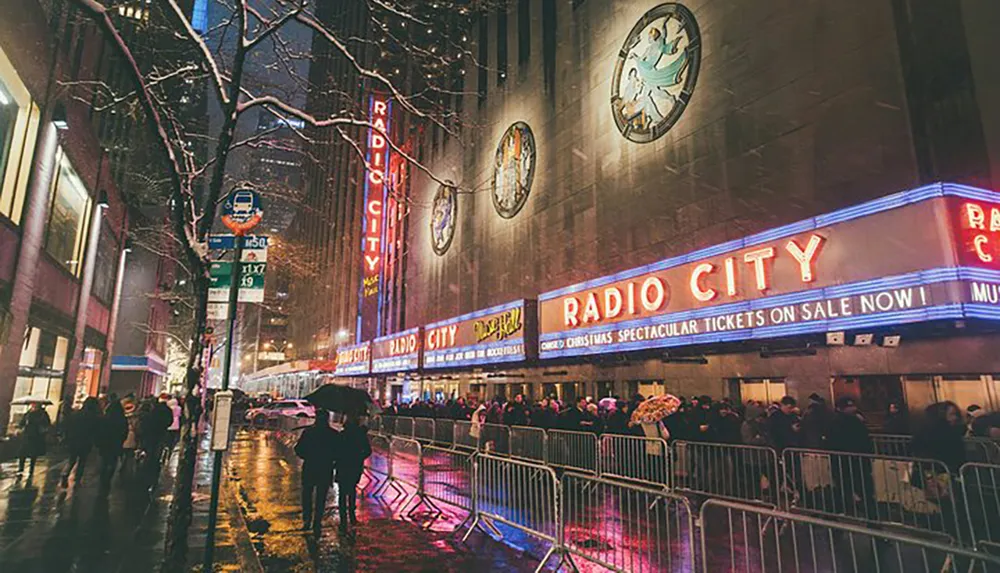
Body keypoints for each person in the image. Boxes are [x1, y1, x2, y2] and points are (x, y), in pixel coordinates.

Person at [826, 397, 874, 517]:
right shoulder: (855, 421)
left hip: (842, 461)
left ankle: (843, 513)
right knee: (862, 488)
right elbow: (865, 440)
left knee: (843, 487)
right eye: (849, 407)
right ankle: (870, 515)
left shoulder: (834, 422)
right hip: (856, 460)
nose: (852, 408)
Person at [294, 408, 339, 535]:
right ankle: (317, 521)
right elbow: (338, 453)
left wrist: (308, 456)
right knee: (321, 497)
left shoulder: (309, 432)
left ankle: (307, 520)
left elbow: (298, 449)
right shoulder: (333, 434)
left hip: (310, 467)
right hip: (325, 469)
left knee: (307, 495)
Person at [332, 413, 372, 531]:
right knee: (352, 490)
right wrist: (359, 457)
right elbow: (368, 451)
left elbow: (336, 450)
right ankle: (352, 516)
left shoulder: (342, 435)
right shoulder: (360, 435)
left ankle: (343, 518)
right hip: (355, 465)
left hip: (343, 465)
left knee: (342, 492)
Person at [62, 397, 101, 487]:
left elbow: (68, 426)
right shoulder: (93, 417)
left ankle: (65, 473)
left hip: (74, 440)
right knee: (82, 461)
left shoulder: (76, 414)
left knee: (72, 459)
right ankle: (77, 478)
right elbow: (95, 430)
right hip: (85, 441)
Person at [97, 398, 128, 486]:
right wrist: (121, 441)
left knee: (104, 461)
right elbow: (124, 432)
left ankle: (102, 478)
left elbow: (99, 431)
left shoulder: (105, 418)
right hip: (116, 444)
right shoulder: (122, 419)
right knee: (112, 462)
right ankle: (108, 478)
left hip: (105, 443)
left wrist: (99, 443)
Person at [17, 402, 51, 477]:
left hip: (36, 437)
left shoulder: (42, 414)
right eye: (32, 404)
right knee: (22, 453)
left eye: (35, 405)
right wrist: (21, 427)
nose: (33, 406)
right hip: (27, 436)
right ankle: (20, 469)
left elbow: (47, 424)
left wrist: (42, 427)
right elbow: (22, 423)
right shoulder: (28, 413)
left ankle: (31, 470)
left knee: (33, 454)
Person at [164, 397, 182, 462]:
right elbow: (180, 416)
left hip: (169, 426)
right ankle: (170, 448)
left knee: (167, 438)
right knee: (173, 438)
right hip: (176, 425)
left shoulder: (169, 408)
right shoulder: (179, 408)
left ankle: (166, 447)